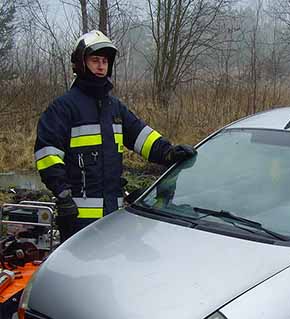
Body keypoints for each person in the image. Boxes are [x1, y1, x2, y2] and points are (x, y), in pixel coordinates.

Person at [34, 30, 196, 241]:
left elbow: (142, 137)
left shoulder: (115, 108)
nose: (101, 66)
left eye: (105, 61)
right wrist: (63, 195)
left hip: (113, 218)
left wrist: (169, 152)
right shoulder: (63, 108)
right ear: (81, 64)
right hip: (77, 219)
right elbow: (47, 155)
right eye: (95, 60)